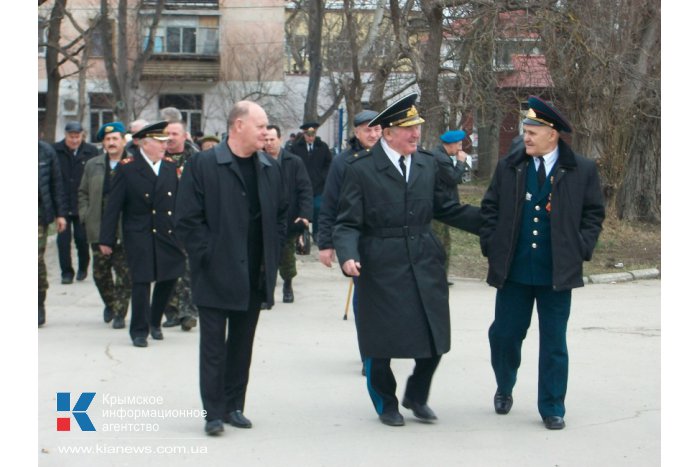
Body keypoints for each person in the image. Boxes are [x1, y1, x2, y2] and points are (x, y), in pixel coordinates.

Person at [332, 93, 481, 427]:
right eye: (408, 129)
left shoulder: (428, 164)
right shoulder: (362, 170)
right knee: (379, 340)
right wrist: (347, 255)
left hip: (423, 257)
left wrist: (492, 222)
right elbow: (347, 223)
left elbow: (446, 209)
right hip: (380, 262)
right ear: (387, 133)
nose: (416, 134)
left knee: (435, 336)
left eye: (417, 127)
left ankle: (416, 394)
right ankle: (386, 403)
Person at [480, 95, 605, 430]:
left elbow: (593, 214)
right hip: (514, 271)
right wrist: (491, 244)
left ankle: (552, 406)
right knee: (504, 336)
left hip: (556, 273)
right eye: (525, 131)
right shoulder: (510, 165)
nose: (526, 137)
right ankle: (505, 386)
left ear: (553, 134)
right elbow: (490, 207)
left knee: (554, 344)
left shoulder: (581, 169)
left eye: (532, 131)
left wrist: (580, 247)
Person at [175, 101, 288, 436]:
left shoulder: (268, 166)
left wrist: (273, 250)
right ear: (238, 125)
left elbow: (280, 214)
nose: (267, 132)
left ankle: (234, 404)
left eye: (267, 127)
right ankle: (213, 411)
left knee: (242, 342)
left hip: (254, 271)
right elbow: (186, 220)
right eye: (261, 125)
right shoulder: (204, 164)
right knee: (213, 346)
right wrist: (207, 254)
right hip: (215, 270)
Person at [99, 121, 185, 348]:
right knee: (142, 280)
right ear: (146, 144)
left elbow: (177, 203)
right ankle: (139, 330)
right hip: (139, 233)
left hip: (166, 232)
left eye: (166, 142)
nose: (165, 146)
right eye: (160, 142)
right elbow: (113, 207)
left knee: (169, 276)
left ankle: (154, 321)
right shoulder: (127, 169)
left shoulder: (169, 167)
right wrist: (106, 239)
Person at [317, 109, 382, 375]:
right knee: (365, 297)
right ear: (356, 132)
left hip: (386, 239)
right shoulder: (343, 162)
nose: (373, 134)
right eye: (367, 129)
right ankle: (369, 353)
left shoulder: (390, 156)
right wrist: (325, 243)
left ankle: (384, 347)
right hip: (354, 238)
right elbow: (330, 202)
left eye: (377, 129)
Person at [78, 122, 132, 329]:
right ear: (103, 142)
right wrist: (85, 214)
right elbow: (82, 192)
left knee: (125, 273)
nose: (111, 142)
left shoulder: (133, 162)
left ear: (123, 140)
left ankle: (120, 313)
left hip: (124, 227)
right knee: (100, 273)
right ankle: (110, 303)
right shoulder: (93, 165)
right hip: (98, 226)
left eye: (115, 138)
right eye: (107, 139)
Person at [264, 124, 313, 304]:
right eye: (266, 140)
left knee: (287, 254)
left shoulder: (294, 162)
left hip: (289, 217)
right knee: (265, 256)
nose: (269, 143)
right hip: (266, 218)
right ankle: (266, 290)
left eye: (272, 139)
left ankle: (287, 284)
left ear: (280, 139)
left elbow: (305, 189)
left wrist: (305, 215)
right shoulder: (258, 160)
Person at [161, 120, 200, 331]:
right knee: (168, 267)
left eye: (175, 133)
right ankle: (171, 312)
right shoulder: (158, 157)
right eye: (167, 133)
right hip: (164, 221)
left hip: (188, 221)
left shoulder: (196, 158)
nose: (171, 137)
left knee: (188, 268)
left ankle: (188, 312)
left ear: (185, 136)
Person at [54, 121, 99, 284]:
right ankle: (66, 272)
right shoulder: (56, 151)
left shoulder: (91, 151)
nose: (74, 140)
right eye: (71, 137)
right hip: (63, 203)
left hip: (82, 203)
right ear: (65, 136)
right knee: (63, 242)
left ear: (82, 136)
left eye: (77, 137)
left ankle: (82, 268)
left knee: (82, 239)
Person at [431, 129, 471, 285]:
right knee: (440, 243)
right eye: (459, 144)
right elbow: (453, 178)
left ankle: (441, 276)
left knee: (444, 242)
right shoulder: (441, 158)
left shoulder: (442, 156)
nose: (460, 149)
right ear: (452, 144)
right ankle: (438, 277)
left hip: (443, 205)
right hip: (440, 207)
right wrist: (461, 162)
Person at [39, 140, 68, 327]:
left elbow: (56, 184)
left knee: (35, 262)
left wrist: (60, 214)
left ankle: (37, 303)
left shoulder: (45, 151)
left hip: (37, 216)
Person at [290, 122, 332, 243]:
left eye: (312, 134)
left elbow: (328, 163)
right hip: (300, 185)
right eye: (308, 134)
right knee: (301, 210)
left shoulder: (322, 147)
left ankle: (317, 233)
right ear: (304, 134)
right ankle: (302, 233)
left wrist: (323, 177)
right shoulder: (296, 147)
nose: (310, 137)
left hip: (318, 185)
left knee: (318, 208)